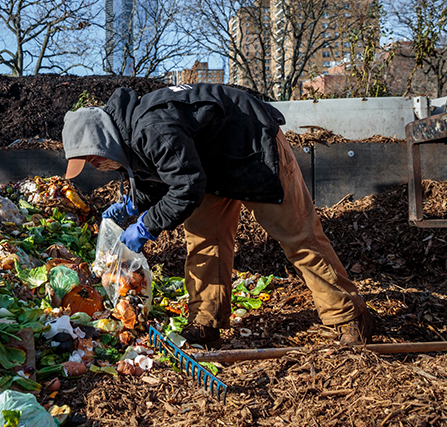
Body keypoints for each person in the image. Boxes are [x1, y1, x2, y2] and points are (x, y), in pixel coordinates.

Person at [62, 83, 373, 349]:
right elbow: (163, 173)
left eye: (92, 158)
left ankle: (349, 315)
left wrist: (147, 225)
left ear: (102, 139)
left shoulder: (151, 127)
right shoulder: (128, 134)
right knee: (204, 240)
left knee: (297, 236)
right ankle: (206, 322)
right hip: (210, 168)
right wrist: (133, 204)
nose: (93, 166)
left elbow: (185, 187)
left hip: (252, 150)